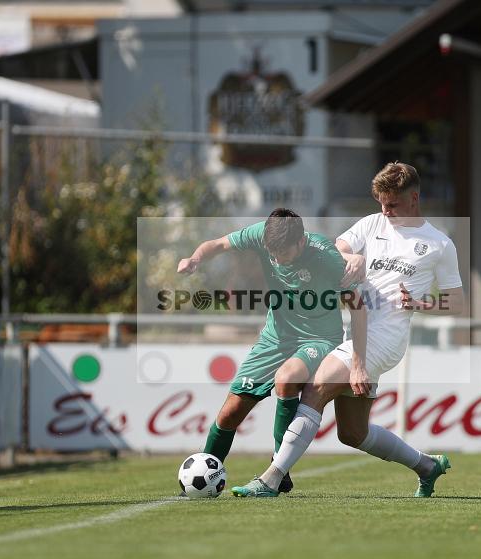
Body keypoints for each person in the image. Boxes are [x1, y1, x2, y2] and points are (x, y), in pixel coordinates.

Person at [232, 162, 465, 498]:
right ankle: (427, 466)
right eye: (381, 203)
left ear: (414, 198)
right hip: (356, 332)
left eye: (393, 204)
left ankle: (271, 478)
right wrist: (350, 257)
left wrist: (424, 305)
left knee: (315, 388)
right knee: (353, 434)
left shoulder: (439, 244)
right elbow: (334, 248)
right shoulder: (372, 224)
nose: (385, 211)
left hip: (386, 338)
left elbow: (456, 303)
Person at [176, 208, 362, 494]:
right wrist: (195, 258)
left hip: (319, 338)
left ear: (301, 243)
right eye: (271, 253)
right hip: (275, 338)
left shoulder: (324, 255)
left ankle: (279, 468)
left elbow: (358, 297)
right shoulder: (263, 234)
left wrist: (357, 262)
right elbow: (218, 244)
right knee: (230, 413)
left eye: (282, 254)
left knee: (286, 378)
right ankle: (204, 472)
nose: (275, 260)